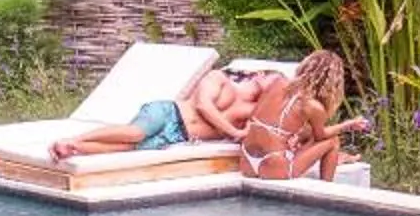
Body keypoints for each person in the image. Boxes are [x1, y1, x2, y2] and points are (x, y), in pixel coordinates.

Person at [43, 65, 261, 160]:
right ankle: (73, 138)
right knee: (136, 134)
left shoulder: (253, 113)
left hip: (177, 136)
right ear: (257, 75)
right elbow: (204, 105)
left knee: (128, 148)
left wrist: (244, 133)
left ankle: (71, 147)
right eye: (272, 77)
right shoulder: (218, 78)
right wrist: (235, 132)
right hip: (168, 112)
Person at [238, 49, 365, 182]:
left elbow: (268, 120)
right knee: (333, 141)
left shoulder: (277, 82)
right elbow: (321, 136)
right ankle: (327, 188)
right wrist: (348, 125)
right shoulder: (312, 105)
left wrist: (297, 137)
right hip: (274, 165)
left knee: (306, 133)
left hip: (247, 162)